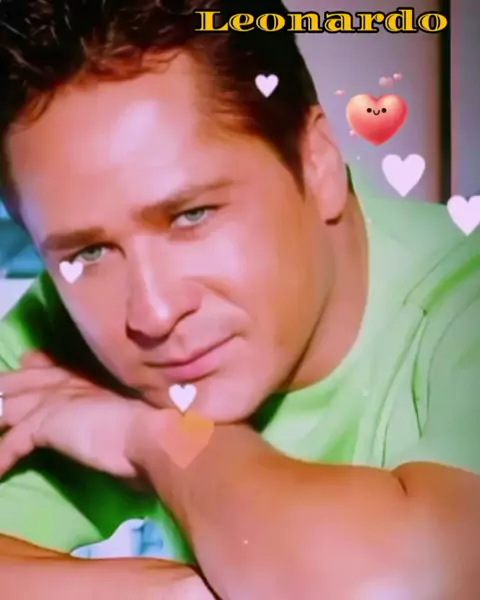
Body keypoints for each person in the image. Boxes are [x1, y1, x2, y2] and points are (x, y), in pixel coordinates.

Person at [0, 0, 479, 598]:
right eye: (90, 252)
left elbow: (399, 586)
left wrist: (159, 438)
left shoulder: (465, 299)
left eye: (191, 215)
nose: (152, 313)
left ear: (318, 162)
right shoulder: (56, 337)